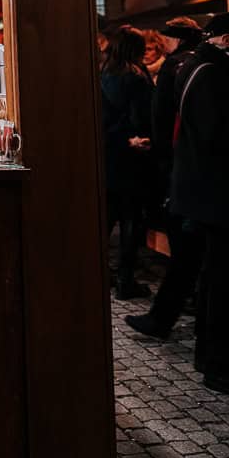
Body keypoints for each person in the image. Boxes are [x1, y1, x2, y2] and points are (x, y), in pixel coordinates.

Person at [166, 11, 229, 399]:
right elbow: (220, 134)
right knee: (225, 280)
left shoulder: (199, 67)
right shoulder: (210, 74)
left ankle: (213, 357)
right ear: (226, 38)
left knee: (215, 276)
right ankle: (221, 365)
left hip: (207, 191)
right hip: (220, 193)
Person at [125, 17, 203, 339]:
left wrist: (159, 155)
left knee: (187, 250)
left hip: (182, 171)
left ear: (173, 40)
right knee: (193, 252)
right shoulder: (202, 66)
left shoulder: (176, 68)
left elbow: (161, 119)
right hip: (196, 170)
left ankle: (165, 318)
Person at [100, 25, 154, 300]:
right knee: (132, 219)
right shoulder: (137, 77)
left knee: (107, 218)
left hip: (109, 154)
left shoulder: (102, 74)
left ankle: (100, 272)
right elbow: (142, 117)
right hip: (133, 156)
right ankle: (125, 277)